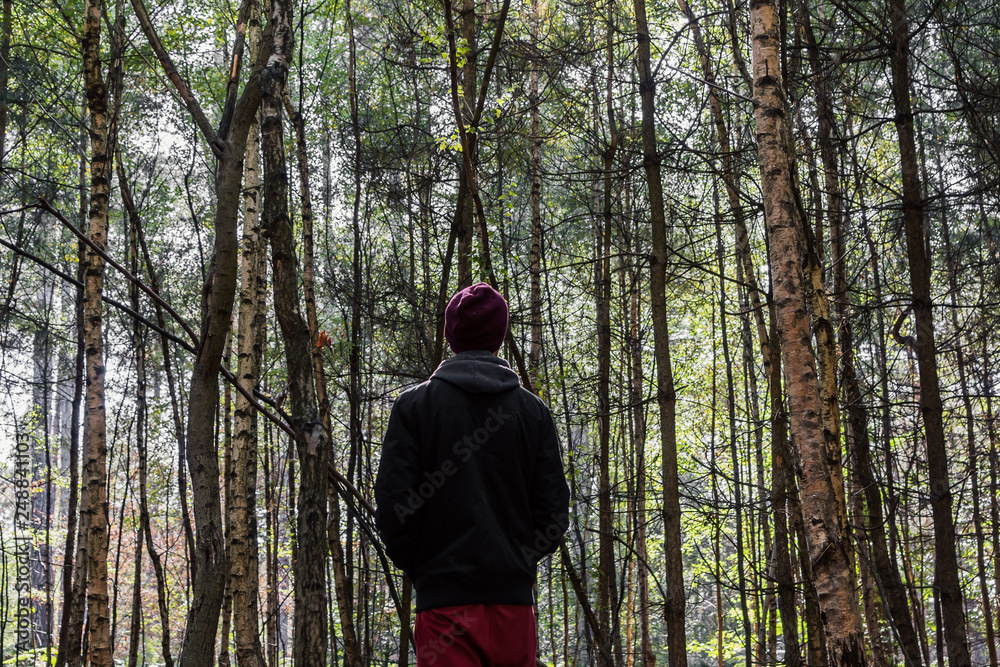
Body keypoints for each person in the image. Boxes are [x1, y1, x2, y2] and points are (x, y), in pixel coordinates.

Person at [375, 282, 570, 667]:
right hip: (511, 607)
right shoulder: (532, 413)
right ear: (500, 335)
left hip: (443, 605)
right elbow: (553, 514)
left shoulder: (414, 408)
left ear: (450, 336)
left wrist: (429, 569)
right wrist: (515, 562)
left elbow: (393, 511)